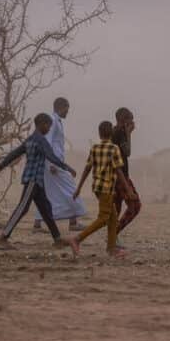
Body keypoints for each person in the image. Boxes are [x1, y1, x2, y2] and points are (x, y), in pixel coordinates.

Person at [0, 113, 77, 249]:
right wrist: (67, 168)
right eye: (48, 126)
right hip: (33, 179)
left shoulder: (30, 139)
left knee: (46, 209)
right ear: (42, 124)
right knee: (23, 207)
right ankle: (3, 237)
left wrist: (1, 166)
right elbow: (51, 156)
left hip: (37, 181)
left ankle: (57, 239)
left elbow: (15, 153)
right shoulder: (41, 141)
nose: (49, 129)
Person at [68, 121, 135, 258]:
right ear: (111, 133)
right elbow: (119, 171)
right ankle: (77, 239)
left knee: (113, 219)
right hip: (106, 188)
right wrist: (128, 190)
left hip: (97, 188)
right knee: (104, 218)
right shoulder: (114, 148)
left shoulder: (95, 148)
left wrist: (79, 188)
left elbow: (87, 168)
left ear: (99, 133)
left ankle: (111, 249)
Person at [32, 98, 87, 233]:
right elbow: (47, 141)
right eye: (67, 109)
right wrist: (51, 163)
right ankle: (73, 222)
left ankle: (37, 224)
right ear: (61, 107)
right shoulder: (52, 121)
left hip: (55, 162)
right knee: (71, 188)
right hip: (53, 163)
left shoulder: (57, 121)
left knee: (47, 192)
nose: (68, 112)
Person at [113, 108, 141, 244]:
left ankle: (112, 237)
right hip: (121, 175)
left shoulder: (113, 131)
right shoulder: (121, 132)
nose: (132, 122)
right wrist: (129, 133)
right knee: (135, 206)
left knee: (116, 208)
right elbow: (127, 152)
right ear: (123, 120)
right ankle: (114, 233)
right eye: (130, 119)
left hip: (114, 176)